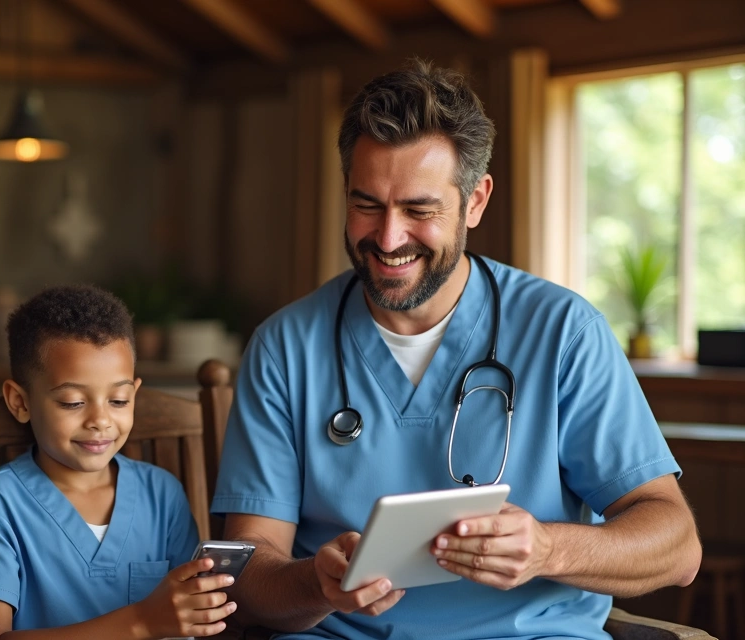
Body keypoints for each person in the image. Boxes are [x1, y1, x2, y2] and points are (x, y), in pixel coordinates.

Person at [211, 59, 702, 639]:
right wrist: (313, 584)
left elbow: (677, 546)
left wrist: (549, 549)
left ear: (475, 201)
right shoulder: (285, 347)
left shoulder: (563, 332)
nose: (388, 238)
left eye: (419, 210)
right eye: (367, 204)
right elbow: (246, 573)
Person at [0, 284, 237, 640]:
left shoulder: (162, 494)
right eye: (72, 402)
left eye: (118, 400)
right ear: (20, 402)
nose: (100, 420)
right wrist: (141, 622)